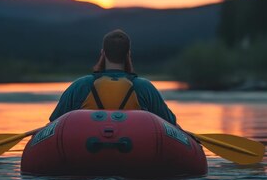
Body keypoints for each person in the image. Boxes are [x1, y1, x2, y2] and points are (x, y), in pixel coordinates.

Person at [49, 29, 177, 125]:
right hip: (136, 152)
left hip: (86, 153)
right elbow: (170, 122)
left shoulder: (81, 85)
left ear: (103, 53)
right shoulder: (144, 87)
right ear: (128, 54)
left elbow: (54, 122)